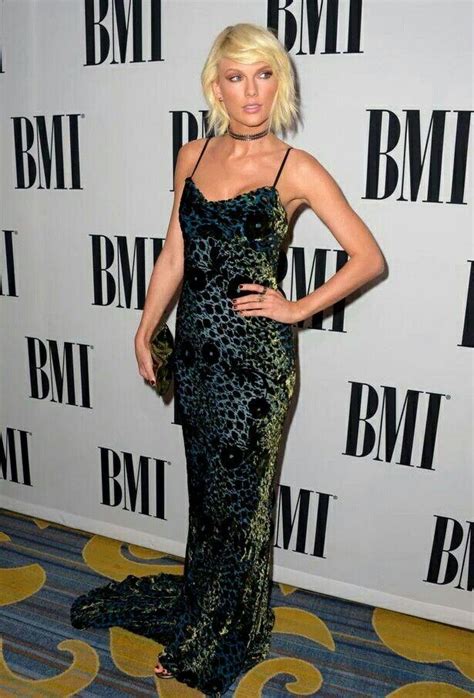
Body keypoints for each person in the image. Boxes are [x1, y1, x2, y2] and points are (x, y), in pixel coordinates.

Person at [70, 22, 385, 697]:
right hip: (200, 358)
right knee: (208, 503)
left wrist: (296, 307)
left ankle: (222, 636)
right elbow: (174, 254)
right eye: (236, 76)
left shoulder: (293, 168)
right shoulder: (190, 155)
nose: (250, 91)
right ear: (215, 85)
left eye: (264, 74)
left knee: (243, 509)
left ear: (280, 82)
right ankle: (202, 611)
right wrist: (146, 324)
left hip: (259, 366)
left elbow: (368, 257)